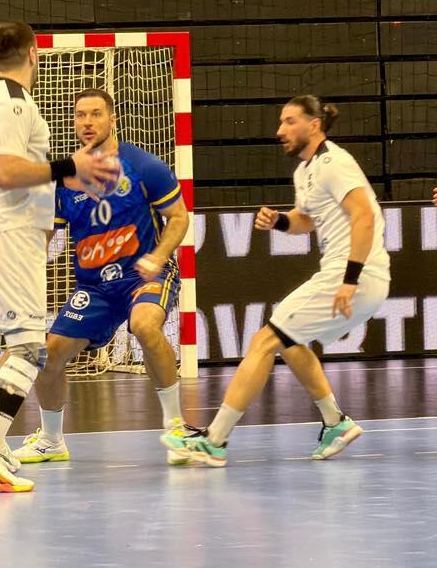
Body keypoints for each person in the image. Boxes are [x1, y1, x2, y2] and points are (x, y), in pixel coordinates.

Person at [165, 96, 389, 467]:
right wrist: (280, 221)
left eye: (289, 121)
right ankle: (335, 422)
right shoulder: (305, 172)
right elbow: (307, 220)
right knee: (288, 340)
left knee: (264, 340)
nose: (280, 130)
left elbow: (364, 216)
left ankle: (214, 441)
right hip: (345, 272)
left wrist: (350, 280)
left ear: (314, 125)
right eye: (281, 122)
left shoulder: (335, 163)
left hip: (355, 272)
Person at [0, 23, 119, 493]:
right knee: (30, 350)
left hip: (16, 236)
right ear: (33, 52)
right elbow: (8, 173)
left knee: (24, 346)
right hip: (6, 235)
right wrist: (71, 165)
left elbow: (27, 174)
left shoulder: (8, 100)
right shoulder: (11, 101)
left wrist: (68, 179)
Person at [12, 87, 195, 465]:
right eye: (80, 115)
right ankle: (51, 440)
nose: (87, 122)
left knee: (144, 325)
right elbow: (45, 234)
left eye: (96, 114)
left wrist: (159, 256)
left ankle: (177, 427)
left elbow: (178, 217)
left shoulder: (143, 165)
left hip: (144, 274)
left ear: (113, 119)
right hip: (95, 287)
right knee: (50, 356)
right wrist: (22, 271)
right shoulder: (65, 179)